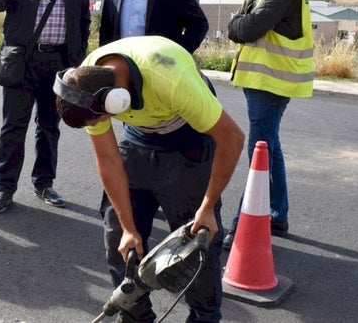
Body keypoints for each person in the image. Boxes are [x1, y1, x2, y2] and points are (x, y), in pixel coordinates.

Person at [55, 35, 245, 323]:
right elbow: (108, 160)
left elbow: (231, 138)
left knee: (196, 250)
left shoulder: (169, 77)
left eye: (98, 120)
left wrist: (207, 208)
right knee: (119, 237)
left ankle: (204, 317)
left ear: (116, 99)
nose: (98, 125)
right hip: (140, 139)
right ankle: (135, 317)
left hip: (189, 141)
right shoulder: (86, 83)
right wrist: (129, 229)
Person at [0, 0, 91, 214]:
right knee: (13, 127)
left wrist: (77, 56)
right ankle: (4, 188)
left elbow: (84, 20)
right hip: (22, 61)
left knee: (49, 126)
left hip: (58, 63)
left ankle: (44, 183)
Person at [223, 0, 314, 249]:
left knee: (259, 150)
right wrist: (239, 24)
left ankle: (243, 223)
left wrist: (238, 24)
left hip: (272, 82)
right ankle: (276, 214)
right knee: (269, 148)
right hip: (262, 80)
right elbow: (242, 25)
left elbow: (247, 27)